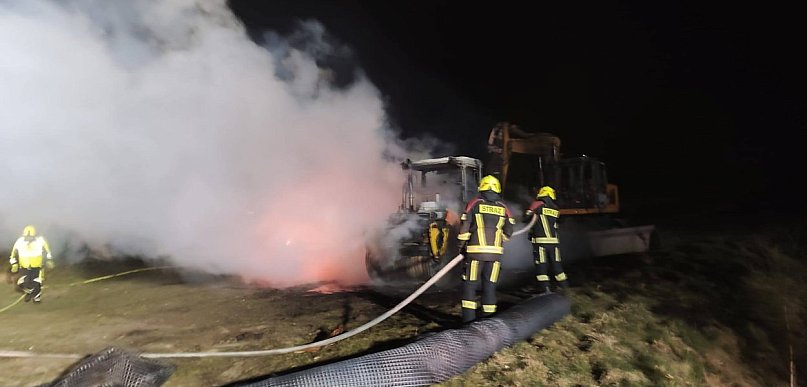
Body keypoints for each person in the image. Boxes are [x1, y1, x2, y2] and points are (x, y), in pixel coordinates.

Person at [457, 175, 515, 323]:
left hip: (475, 253)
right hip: (495, 255)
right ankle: (489, 322)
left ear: (481, 187)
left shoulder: (474, 203)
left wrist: (461, 248)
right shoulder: (503, 207)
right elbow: (510, 227)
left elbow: (464, 228)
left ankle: (468, 322)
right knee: (490, 286)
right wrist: (502, 237)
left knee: (470, 285)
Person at [525, 186, 568, 294]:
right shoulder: (555, 208)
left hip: (541, 243)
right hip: (554, 243)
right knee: (557, 266)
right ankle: (565, 289)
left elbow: (526, 218)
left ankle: (545, 290)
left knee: (542, 267)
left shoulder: (537, 204)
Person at [9, 225, 54, 303]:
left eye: (31, 237)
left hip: (37, 266)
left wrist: (49, 260)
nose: (29, 239)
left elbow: (48, 251)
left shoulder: (40, 240)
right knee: (23, 282)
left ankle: (37, 298)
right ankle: (30, 292)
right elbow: (13, 254)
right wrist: (14, 264)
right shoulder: (20, 241)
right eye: (27, 237)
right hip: (24, 266)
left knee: (37, 282)